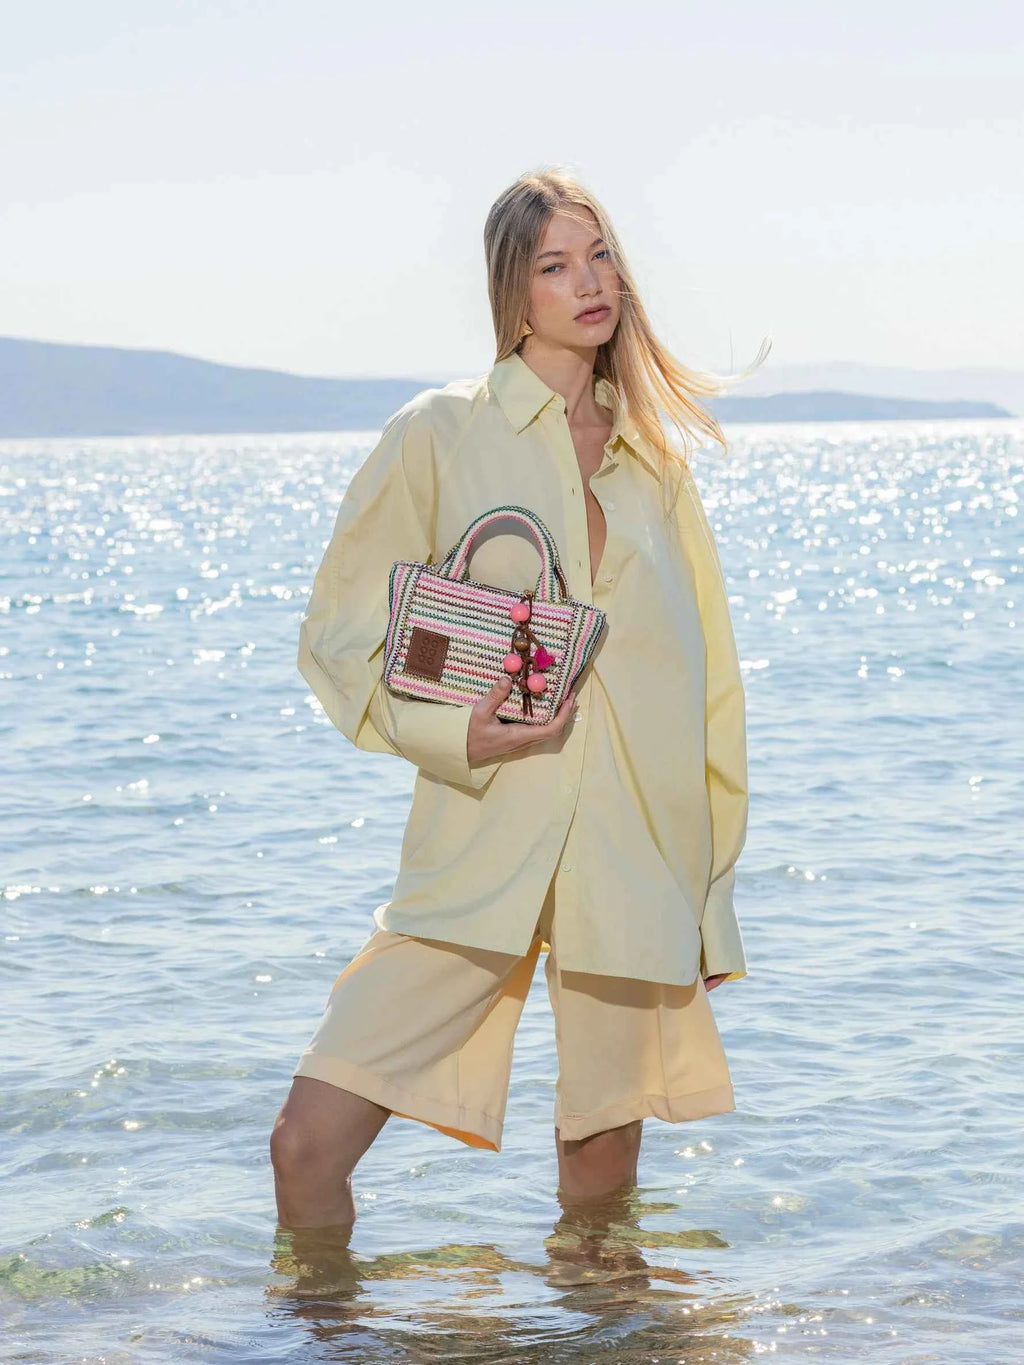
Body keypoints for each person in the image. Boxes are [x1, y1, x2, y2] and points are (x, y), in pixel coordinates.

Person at [271, 166, 770, 1230]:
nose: (587, 283)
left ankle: (605, 1346)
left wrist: (706, 900)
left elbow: (708, 696)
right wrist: (455, 733)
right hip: (482, 838)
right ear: (513, 292)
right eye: (554, 265)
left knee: (599, 1180)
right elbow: (338, 638)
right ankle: (322, 1342)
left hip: (635, 857)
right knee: (305, 1144)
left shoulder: (654, 466)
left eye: (600, 258)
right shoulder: (439, 434)